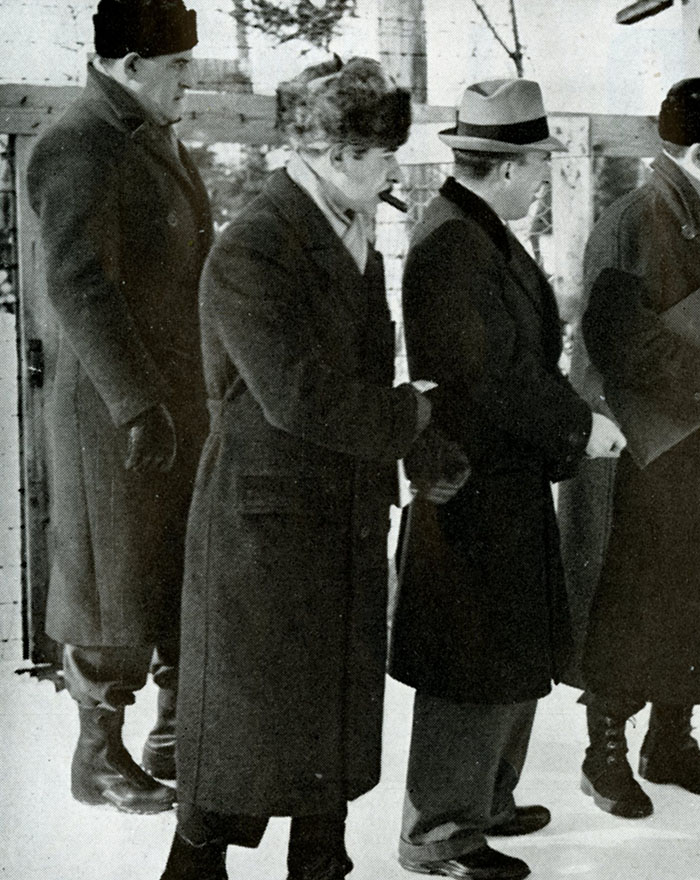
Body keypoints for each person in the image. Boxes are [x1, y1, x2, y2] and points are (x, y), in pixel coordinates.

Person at [158, 57, 464, 879]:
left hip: (339, 512)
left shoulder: (349, 224)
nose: (394, 168)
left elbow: (358, 376)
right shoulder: (255, 244)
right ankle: (193, 868)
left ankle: (321, 863)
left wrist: (417, 446)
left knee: (327, 725)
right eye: (382, 153)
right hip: (267, 526)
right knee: (246, 736)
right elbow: (297, 394)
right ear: (334, 152)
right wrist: (412, 415)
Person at [389, 78, 627, 880]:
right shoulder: (456, 241)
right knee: (469, 663)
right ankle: (438, 834)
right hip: (472, 491)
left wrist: (570, 425)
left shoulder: (478, 228)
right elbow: (496, 377)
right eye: (539, 166)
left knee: (506, 650)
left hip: (505, 484)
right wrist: (580, 427)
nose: (543, 181)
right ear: (507, 165)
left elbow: (521, 362)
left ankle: (485, 802)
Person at [573, 77, 700, 820]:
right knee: (636, 599)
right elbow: (615, 338)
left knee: (697, 592)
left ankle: (671, 739)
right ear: (695, 152)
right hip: (643, 453)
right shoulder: (632, 221)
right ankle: (605, 755)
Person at [25, 0, 211, 814]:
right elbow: (77, 284)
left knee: (169, 558)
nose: (188, 81)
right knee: (110, 578)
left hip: (167, 397)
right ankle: (95, 758)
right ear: (130, 64)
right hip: (112, 409)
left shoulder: (145, 132)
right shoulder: (77, 143)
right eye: (176, 67)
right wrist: (137, 403)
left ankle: (171, 732)